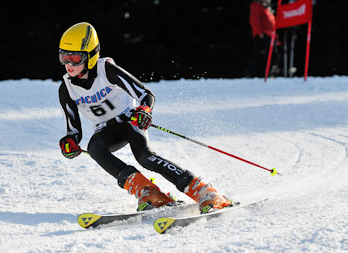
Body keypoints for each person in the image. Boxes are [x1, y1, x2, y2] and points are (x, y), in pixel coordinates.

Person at [57, 22, 232, 214]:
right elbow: (73, 130)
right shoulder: (66, 89)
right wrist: (70, 143)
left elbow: (145, 94)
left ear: (90, 56)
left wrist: (144, 110)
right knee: (95, 149)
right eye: (64, 57)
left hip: (130, 120)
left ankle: (206, 192)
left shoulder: (106, 70)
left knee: (145, 157)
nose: (68, 64)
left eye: (74, 58)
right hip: (106, 130)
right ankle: (148, 192)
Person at [245, 0, 280, 77]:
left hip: (270, 35)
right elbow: (254, 20)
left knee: (272, 56)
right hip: (262, 35)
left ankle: (268, 74)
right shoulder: (257, 5)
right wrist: (260, 33)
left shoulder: (266, 7)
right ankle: (250, 74)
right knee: (260, 56)